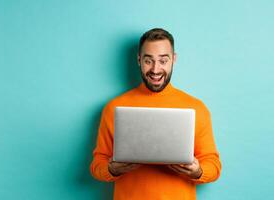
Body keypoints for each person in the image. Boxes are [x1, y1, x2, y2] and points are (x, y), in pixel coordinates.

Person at [90, 28, 221, 200]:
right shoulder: (114, 107)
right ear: (139, 60)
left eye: (163, 60)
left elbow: (214, 165)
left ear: (173, 59)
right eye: (148, 60)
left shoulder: (196, 107)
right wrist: (112, 169)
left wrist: (198, 171)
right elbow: (97, 165)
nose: (155, 69)